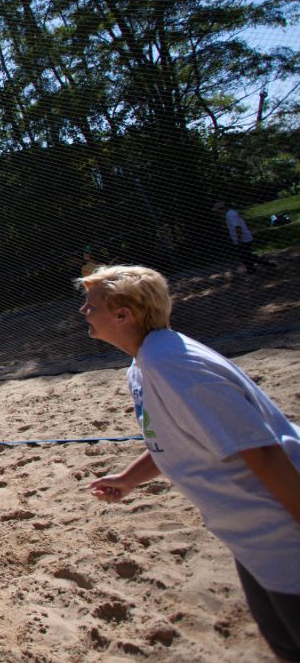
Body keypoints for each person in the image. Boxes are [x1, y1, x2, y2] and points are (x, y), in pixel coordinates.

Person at [80, 265, 300, 659]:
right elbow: (177, 440)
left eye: (91, 304)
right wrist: (131, 478)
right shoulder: (144, 364)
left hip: (284, 534)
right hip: (251, 539)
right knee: (284, 643)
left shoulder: (172, 364)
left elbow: (264, 452)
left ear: (122, 313)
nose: (83, 311)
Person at [213, 201, 276, 273]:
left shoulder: (230, 214)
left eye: (218, 210)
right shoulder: (230, 213)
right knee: (245, 255)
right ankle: (254, 268)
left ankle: (258, 267)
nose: (218, 212)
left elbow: (237, 227)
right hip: (243, 238)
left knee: (245, 255)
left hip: (243, 239)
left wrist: (239, 240)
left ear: (222, 208)